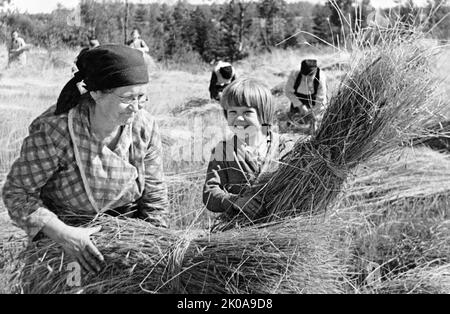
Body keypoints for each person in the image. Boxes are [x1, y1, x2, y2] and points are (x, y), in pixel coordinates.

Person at [2, 45, 168, 274]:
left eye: (142, 97)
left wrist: (151, 248)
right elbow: (17, 193)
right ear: (97, 93)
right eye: (128, 97)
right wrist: (64, 234)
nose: (136, 108)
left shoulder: (144, 126)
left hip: (128, 239)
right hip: (64, 240)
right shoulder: (56, 130)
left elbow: (154, 198)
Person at [203, 78, 295, 220]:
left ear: (264, 114)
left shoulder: (285, 147)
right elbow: (209, 192)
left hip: (281, 226)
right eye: (232, 112)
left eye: (247, 113)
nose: (239, 119)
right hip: (239, 230)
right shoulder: (223, 150)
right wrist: (235, 201)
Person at [284, 59, 327, 134]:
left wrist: (314, 116)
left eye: (310, 79)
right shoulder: (294, 74)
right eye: (304, 78)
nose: (307, 81)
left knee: (315, 123)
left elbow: (321, 100)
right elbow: (288, 91)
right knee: (293, 122)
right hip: (298, 97)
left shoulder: (321, 78)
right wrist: (300, 105)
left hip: (314, 98)